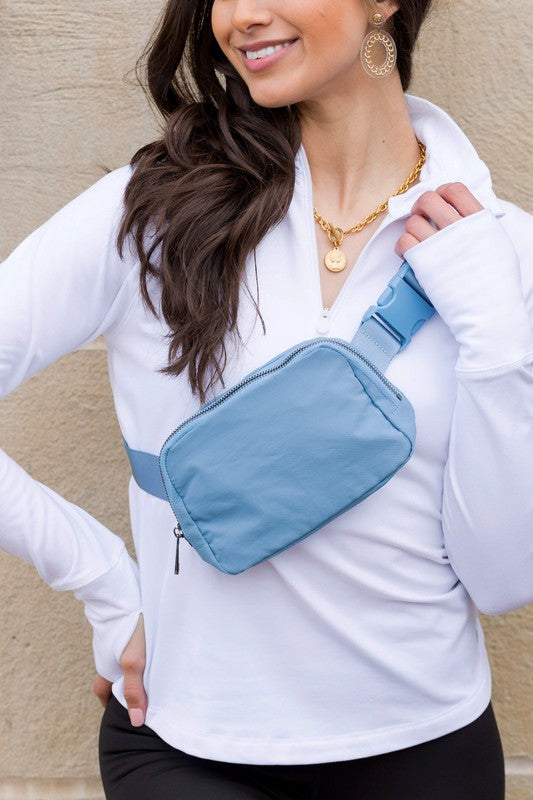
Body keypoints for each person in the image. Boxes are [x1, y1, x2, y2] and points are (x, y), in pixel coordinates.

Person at [1, 0, 532, 797]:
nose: (243, 14)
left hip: (424, 748)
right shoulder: (151, 215)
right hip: (184, 744)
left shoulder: (499, 249)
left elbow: (502, 579)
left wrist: (497, 340)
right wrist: (106, 584)